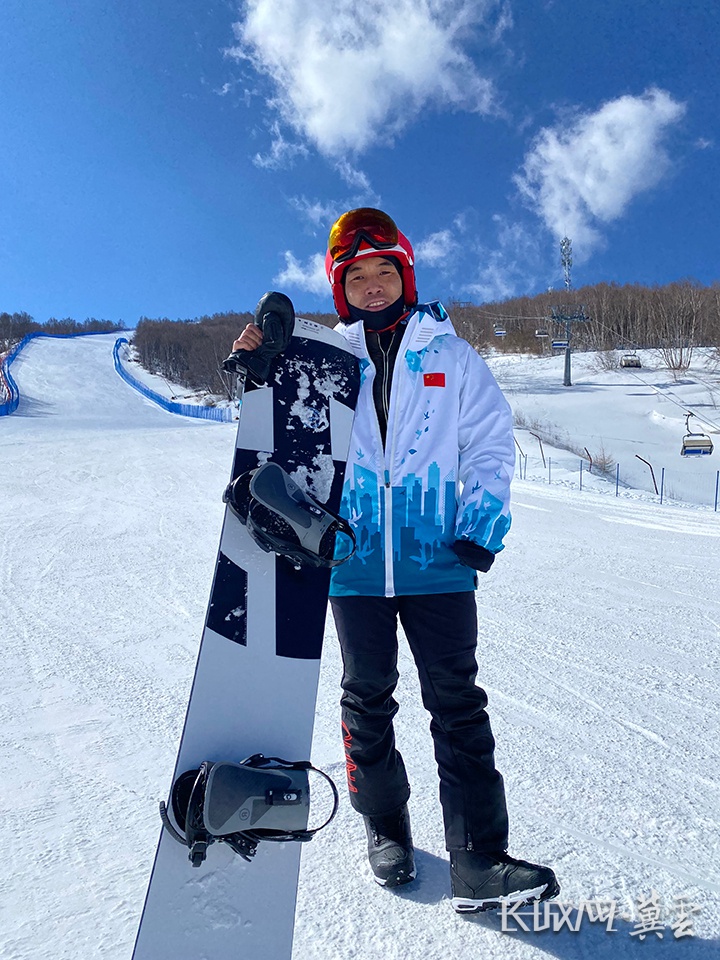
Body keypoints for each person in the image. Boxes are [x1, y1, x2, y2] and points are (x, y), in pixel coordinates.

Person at [233, 208, 559, 913]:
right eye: (358, 276)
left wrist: (481, 525)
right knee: (367, 699)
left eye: (386, 271)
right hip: (351, 562)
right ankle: (385, 828)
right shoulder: (322, 355)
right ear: (341, 286)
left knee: (459, 705)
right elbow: (274, 426)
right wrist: (256, 355)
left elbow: (492, 443)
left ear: (406, 275)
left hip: (437, 558)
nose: (374, 285)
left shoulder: (450, 354)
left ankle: (479, 856)